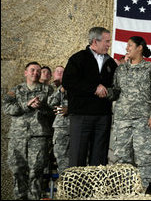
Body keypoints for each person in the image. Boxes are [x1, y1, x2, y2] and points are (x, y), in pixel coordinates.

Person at [107, 36, 151, 192]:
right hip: (122, 121)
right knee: (122, 159)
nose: (127, 48)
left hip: (144, 121)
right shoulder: (120, 69)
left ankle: (141, 191)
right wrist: (102, 91)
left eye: (130, 45)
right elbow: (116, 91)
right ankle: (125, 191)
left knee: (143, 158)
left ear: (140, 48)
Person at [62, 27, 117, 167]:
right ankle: (76, 188)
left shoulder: (110, 62)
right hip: (81, 116)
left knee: (99, 159)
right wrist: (93, 88)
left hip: (103, 117)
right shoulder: (78, 58)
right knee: (77, 157)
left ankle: (96, 189)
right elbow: (68, 82)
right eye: (106, 41)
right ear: (95, 41)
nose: (109, 44)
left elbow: (115, 87)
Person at [3, 62, 54, 200]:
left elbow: (55, 111)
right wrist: (26, 105)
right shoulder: (16, 90)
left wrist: (42, 107)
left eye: (38, 71)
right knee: (17, 171)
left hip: (39, 137)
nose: (35, 73)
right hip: (17, 137)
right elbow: (6, 108)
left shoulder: (48, 90)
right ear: (26, 72)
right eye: (32, 70)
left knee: (36, 172)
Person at [47, 66, 70, 175]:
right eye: (58, 71)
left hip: (76, 127)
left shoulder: (75, 85)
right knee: (61, 159)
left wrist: (69, 109)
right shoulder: (55, 88)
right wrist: (60, 90)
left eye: (63, 72)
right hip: (60, 128)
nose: (60, 73)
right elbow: (51, 103)